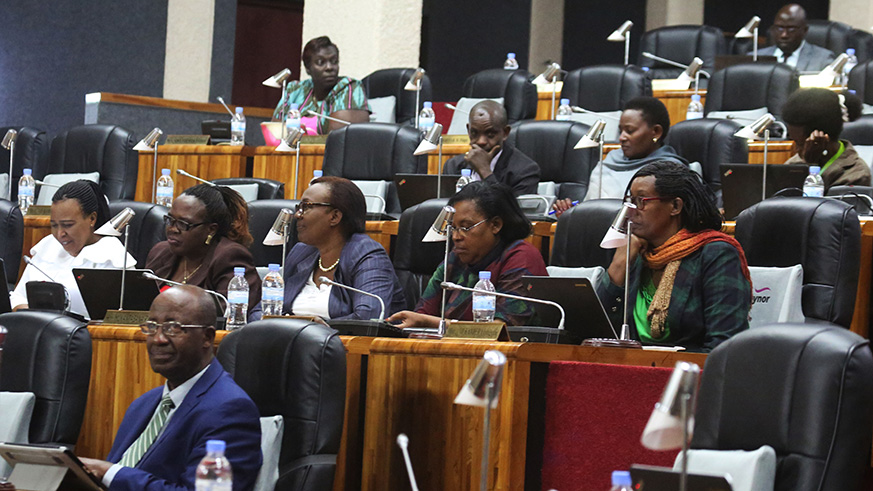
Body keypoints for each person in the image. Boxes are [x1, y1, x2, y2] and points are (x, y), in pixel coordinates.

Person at [80, 286, 262, 490]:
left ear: (207, 337)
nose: (158, 339)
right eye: (152, 326)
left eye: (173, 328)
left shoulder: (230, 411)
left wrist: (110, 473)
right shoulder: (143, 404)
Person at [599, 161, 751, 352]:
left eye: (641, 201)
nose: (631, 211)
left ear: (675, 206)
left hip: (688, 368)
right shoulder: (635, 254)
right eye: (629, 201)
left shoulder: (715, 255)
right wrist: (618, 266)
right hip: (628, 367)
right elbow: (595, 334)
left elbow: (723, 345)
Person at [388, 182, 548, 328]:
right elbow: (422, 314)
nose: (456, 237)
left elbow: (499, 330)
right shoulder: (455, 259)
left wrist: (430, 323)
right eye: (453, 228)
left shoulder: (522, 257)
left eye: (465, 227)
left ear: (495, 225)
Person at [283, 176, 405, 319]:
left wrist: (311, 328)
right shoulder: (301, 252)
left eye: (307, 206)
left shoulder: (369, 256)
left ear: (335, 217)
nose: (297, 214)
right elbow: (268, 308)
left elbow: (367, 318)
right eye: (299, 207)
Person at [10, 180, 134, 318]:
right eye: (54, 225)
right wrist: (35, 315)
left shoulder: (113, 257)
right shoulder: (48, 246)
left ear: (92, 219)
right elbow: (17, 298)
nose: (59, 234)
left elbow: (122, 320)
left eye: (68, 225)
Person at [554, 97, 687, 216]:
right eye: (620, 131)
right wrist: (571, 214)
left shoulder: (670, 171)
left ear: (656, 132)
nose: (622, 137)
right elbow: (591, 210)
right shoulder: (608, 162)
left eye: (630, 131)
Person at [146, 184, 262, 314]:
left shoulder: (230, 256)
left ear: (211, 229)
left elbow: (227, 312)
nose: (173, 229)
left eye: (183, 224)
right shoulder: (161, 252)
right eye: (170, 220)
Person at [271, 36, 369, 134]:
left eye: (334, 61)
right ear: (308, 68)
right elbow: (274, 132)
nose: (329, 67)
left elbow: (337, 138)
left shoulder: (349, 87)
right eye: (320, 62)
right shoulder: (295, 90)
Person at [442, 100, 540, 196]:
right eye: (474, 133)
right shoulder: (454, 166)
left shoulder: (525, 171)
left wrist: (485, 171)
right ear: (468, 130)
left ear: (505, 133)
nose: (481, 141)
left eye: (490, 134)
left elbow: (511, 207)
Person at [782, 88, 871, 191]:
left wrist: (811, 166)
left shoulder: (856, 174)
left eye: (800, 144)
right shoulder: (794, 163)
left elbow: (802, 200)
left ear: (820, 139)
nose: (796, 150)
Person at [754, 4, 835, 72]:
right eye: (780, 28)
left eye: (791, 29)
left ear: (805, 30)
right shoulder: (756, 58)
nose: (784, 35)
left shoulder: (823, 59)